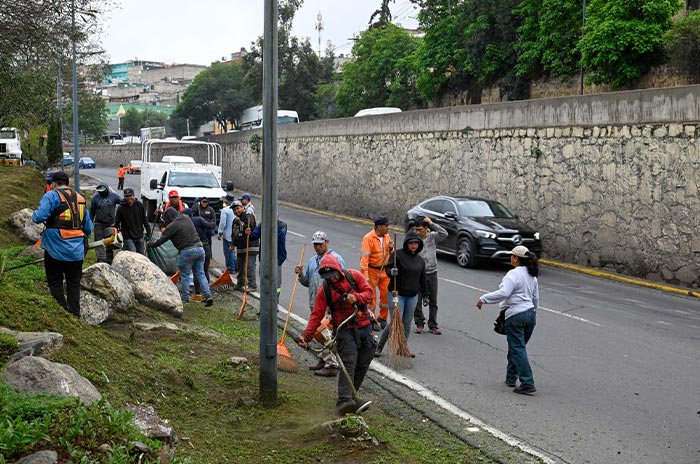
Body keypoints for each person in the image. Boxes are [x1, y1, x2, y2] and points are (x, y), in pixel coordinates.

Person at [296, 253, 375, 416]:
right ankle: (344, 402)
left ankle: (354, 396)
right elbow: (316, 315)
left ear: (338, 269)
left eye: (333, 275)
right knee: (348, 362)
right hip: (344, 330)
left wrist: (357, 298)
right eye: (328, 277)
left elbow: (370, 294)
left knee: (363, 362)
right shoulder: (324, 290)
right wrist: (306, 336)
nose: (331, 279)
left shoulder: (354, 276)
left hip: (365, 327)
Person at [476, 245, 539, 395]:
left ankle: (527, 382)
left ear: (516, 258)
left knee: (517, 348)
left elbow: (504, 293)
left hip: (516, 315)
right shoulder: (532, 275)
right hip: (530, 314)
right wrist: (534, 312)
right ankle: (511, 378)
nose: (510, 257)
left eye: (512, 255)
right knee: (517, 347)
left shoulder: (513, 274)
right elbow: (536, 298)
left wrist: (483, 299)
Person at [32, 171, 94, 317]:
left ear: (53, 184)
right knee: (73, 284)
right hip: (77, 251)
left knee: (55, 282)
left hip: (55, 248)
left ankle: (61, 313)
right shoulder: (80, 198)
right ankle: (74, 314)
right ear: (67, 183)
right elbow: (88, 228)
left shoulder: (52, 195)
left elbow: (38, 217)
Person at [294, 231, 346, 377]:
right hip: (316, 303)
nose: (318, 247)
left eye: (320, 244)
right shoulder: (312, 261)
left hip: (330, 305)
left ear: (327, 242)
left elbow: (341, 282)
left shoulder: (336, 259)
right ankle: (323, 359)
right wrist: (301, 275)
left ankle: (331, 364)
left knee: (326, 334)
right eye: (315, 244)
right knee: (320, 334)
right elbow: (307, 282)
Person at [375, 230, 428, 357]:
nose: (414, 245)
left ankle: (402, 348)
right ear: (406, 243)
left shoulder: (420, 260)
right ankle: (379, 346)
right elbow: (387, 269)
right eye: (411, 243)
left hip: (412, 296)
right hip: (397, 294)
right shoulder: (397, 255)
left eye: (416, 243)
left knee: (406, 322)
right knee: (395, 321)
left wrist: (425, 295)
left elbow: (423, 279)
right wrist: (391, 272)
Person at [147, 207, 213, 306]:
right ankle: (208, 295)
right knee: (200, 274)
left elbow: (161, 240)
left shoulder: (172, 226)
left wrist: (151, 244)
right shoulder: (186, 217)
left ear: (169, 218)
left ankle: (185, 298)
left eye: (166, 220)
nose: (165, 222)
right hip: (200, 249)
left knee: (185, 275)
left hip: (187, 251)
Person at [412, 216, 448, 335]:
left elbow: (445, 234)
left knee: (433, 300)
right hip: (418, 274)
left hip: (432, 273)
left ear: (426, 228)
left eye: (420, 229)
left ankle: (433, 324)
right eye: (416, 229)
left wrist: (432, 224)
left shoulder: (433, 237)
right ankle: (419, 323)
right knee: (417, 301)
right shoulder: (414, 240)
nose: (417, 232)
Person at [360, 216, 394, 331]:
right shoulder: (368, 238)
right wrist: (365, 276)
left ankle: (382, 318)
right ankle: (372, 319)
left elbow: (391, 253)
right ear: (379, 226)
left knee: (385, 294)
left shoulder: (387, 236)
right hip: (372, 270)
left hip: (384, 270)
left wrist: (391, 248)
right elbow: (364, 258)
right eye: (386, 226)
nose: (387, 228)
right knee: (372, 296)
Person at [247, 217, 287, 294]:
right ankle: (265, 299)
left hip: (277, 259)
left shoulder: (282, 225)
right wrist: (249, 233)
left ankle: (275, 300)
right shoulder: (263, 224)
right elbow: (254, 236)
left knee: (276, 283)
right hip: (264, 258)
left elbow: (279, 238)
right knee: (264, 280)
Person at [182, 208, 214, 296]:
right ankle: (207, 293)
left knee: (197, 271)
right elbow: (210, 226)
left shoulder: (185, 224)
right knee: (205, 271)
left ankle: (197, 293)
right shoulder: (199, 219)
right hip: (205, 246)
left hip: (194, 247)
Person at [89, 183, 120, 264]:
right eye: (100, 192)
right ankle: (101, 259)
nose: (101, 193)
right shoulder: (95, 198)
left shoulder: (114, 196)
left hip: (110, 224)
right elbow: (92, 211)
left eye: (103, 191)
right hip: (99, 223)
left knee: (110, 242)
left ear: (107, 190)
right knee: (99, 242)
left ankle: (109, 259)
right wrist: (90, 222)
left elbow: (122, 202)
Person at [231, 200, 258, 290]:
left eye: (238, 208)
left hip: (250, 246)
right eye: (234, 210)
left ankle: (252, 285)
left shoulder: (248, 216)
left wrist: (240, 223)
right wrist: (232, 244)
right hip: (240, 247)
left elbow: (251, 227)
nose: (236, 211)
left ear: (242, 208)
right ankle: (240, 283)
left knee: (250, 266)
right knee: (240, 267)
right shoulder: (235, 220)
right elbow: (234, 233)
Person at [115, 188, 149, 255]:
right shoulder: (121, 208)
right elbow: (117, 223)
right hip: (128, 237)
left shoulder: (140, 205)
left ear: (134, 196)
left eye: (130, 196)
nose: (129, 198)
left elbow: (145, 220)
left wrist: (148, 232)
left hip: (139, 235)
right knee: (132, 254)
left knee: (141, 255)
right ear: (124, 197)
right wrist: (118, 233)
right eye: (126, 196)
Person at [217, 195, 237, 274]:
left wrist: (220, 233)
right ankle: (235, 266)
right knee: (233, 251)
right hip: (235, 233)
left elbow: (222, 223)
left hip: (228, 234)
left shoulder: (225, 210)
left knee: (228, 252)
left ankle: (230, 268)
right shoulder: (236, 209)